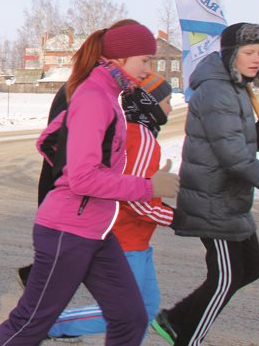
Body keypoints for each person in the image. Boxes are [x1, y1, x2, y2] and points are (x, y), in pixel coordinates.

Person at [0, 20, 180, 346]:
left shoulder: (108, 95)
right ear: (120, 58)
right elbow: (83, 178)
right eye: (144, 60)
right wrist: (147, 187)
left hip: (97, 231)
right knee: (29, 323)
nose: (149, 69)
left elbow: (50, 142)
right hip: (67, 232)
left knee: (132, 317)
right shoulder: (94, 97)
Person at [152, 23, 259, 346]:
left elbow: (225, 141)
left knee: (252, 267)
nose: (256, 59)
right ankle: (188, 339)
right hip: (212, 199)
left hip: (231, 199)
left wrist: (258, 137)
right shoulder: (217, 90)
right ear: (232, 54)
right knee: (227, 277)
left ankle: (176, 319)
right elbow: (233, 158)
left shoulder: (235, 88)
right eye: (249, 52)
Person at [47, 73, 178, 340]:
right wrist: (178, 218)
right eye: (167, 101)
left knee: (146, 309)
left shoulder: (132, 130)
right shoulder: (141, 137)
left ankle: (46, 322)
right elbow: (135, 197)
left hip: (136, 241)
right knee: (127, 314)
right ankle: (47, 324)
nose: (171, 108)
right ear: (149, 103)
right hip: (126, 240)